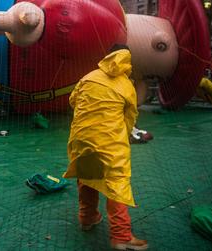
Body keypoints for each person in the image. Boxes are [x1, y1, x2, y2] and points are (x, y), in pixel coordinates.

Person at [63, 45, 148, 250]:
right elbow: (130, 117)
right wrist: (123, 135)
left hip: (81, 138)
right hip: (109, 140)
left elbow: (73, 101)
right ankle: (121, 236)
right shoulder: (126, 85)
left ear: (107, 56)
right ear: (127, 61)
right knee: (116, 183)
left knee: (87, 176)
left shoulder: (88, 77)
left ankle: (87, 217)